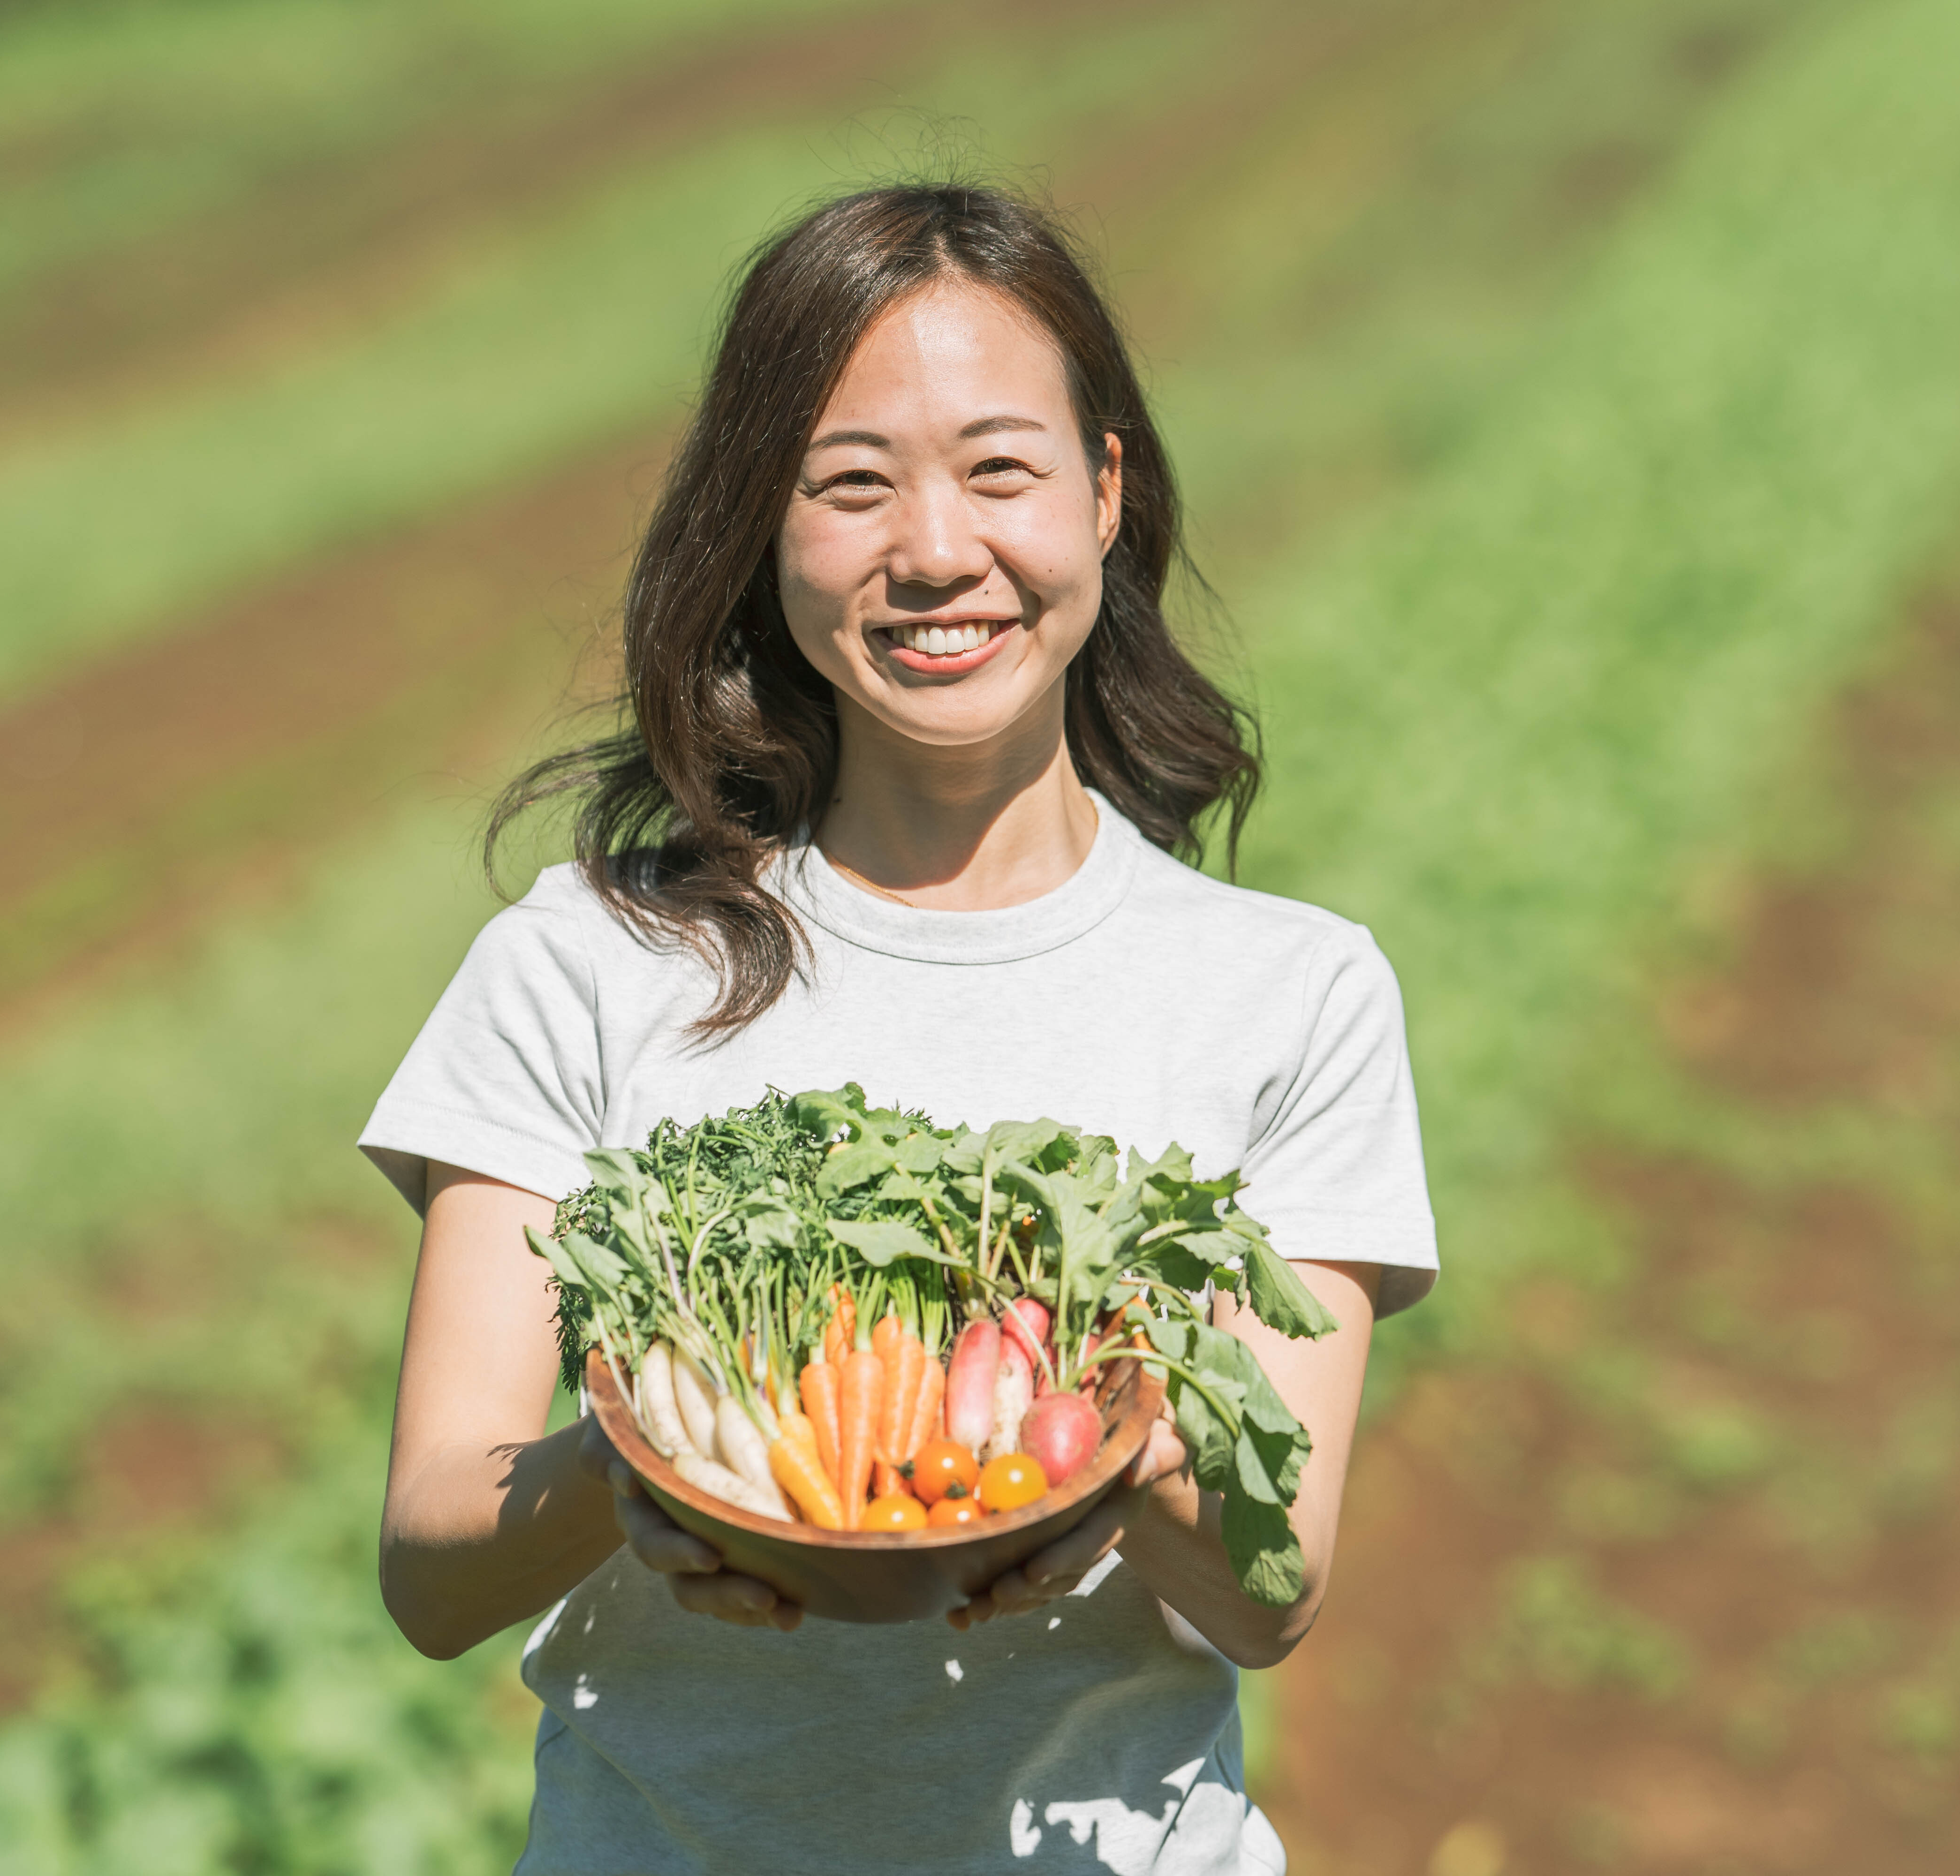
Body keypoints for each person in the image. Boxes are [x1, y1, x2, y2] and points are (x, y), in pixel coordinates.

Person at [360, 182, 1436, 1875]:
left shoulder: (1290, 992)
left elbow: (1269, 1591)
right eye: (852, 485)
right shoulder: (583, 963)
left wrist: (1110, 1450)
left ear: (1103, 490)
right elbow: (433, 1566)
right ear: (759, 531)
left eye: (999, 469)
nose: (936, 551)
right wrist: (638, 1473)